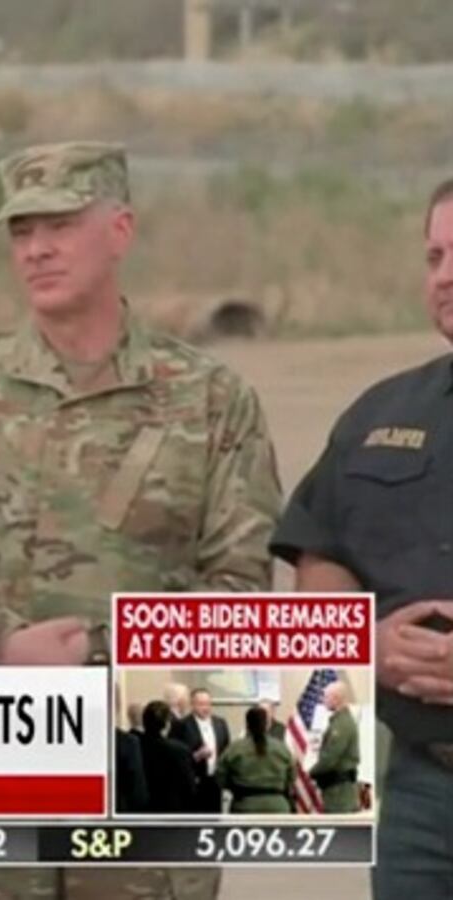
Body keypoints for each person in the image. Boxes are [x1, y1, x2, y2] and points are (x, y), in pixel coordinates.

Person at [0, 142, 283, 900]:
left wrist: (88, 656)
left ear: (121, 230)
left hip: (142, 798)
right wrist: (0, 642)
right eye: (20, 232)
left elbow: (239, 597)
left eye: (60, 226)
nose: (36, 249)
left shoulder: (209, 401)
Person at [271, 177, 453, 894]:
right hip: (423, 794)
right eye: (435, 256)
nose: (445, 276)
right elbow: (321, 554)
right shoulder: (382, 415)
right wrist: (362, 645)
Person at [217, 706, 296, 814]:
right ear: (266, 724)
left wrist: (235, 788)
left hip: (244, 806)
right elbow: (291, 777)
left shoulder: (234, 749)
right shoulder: (282, 749)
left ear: (247, 725)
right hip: (278, 807)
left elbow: (220, 777)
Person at [170, 688, 232, 813]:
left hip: (215, 783)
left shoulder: (220, 723)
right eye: (201, 704)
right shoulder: (181, 725)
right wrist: (195, 756)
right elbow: (175, 757)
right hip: (194, 783)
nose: (206, 708)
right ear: (192, 705)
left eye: (208, 703)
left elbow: (227, 749)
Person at [310, 681, 362, 813]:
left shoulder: (341, 725)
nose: (323, 700)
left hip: (339, 792)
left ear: (336, 699)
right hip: (336, 788)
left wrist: (312, 772)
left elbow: (330, 758)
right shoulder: (338, 722)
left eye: (326, 697)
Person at [139, 701, 198, 815]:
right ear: (167, 724)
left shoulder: (135, 745)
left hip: (141, 811)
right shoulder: (179, 750)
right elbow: (189, 788)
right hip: (172, 811)